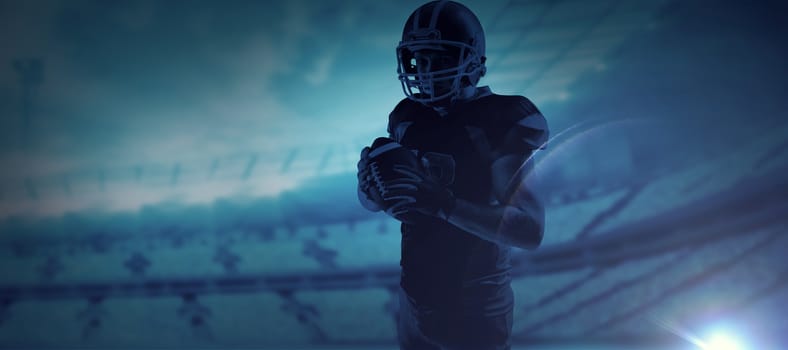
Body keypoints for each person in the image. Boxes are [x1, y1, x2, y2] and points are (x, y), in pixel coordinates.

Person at [356, 1, 549, 349]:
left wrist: (445, 205)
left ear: (475, 64)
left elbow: (529, 230)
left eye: (441, 60)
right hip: (413, 295)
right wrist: (371, 191)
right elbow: (392, 203)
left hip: (474, 304)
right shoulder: (406, 117)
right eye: (420, 60)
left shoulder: (501, 118)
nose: (427, 72)